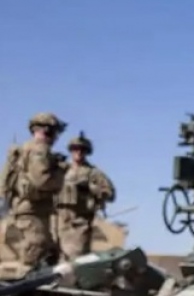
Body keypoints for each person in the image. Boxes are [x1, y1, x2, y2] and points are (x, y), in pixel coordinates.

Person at [1, 113, 68, 268]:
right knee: (35, 254)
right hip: (32, 212)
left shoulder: (25, 148)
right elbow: (42, 182)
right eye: (55, 132)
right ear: (47, 130)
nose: (56, 137)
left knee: (49, 253)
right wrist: (61, 172)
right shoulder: (40, 150)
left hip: (27, 211)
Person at [56, 131, 116, 261]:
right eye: (75, 149)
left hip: (79, 222)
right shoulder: (62, 170)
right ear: (71, 151)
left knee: (76, 259)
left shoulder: (93, 173)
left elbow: (110, 193)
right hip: (58, 220)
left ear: (87, 152)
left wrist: (90, 188)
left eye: (82, 150)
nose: (78, 152)